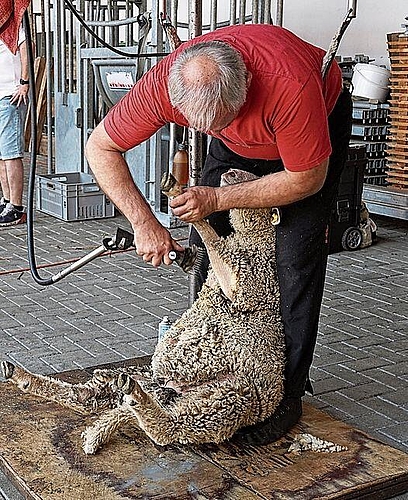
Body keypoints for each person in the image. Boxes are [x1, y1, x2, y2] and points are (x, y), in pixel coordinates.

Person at [85, 23, 352, 444]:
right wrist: (145, 223)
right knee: (206, 242)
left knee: (295, 256)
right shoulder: (166, 83)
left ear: (245, 81)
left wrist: (217, 199)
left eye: (223, 119)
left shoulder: (291, 84)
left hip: (310, 122)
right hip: (235, 129)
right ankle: (209, 354)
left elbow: (305, 178)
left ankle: (286, 392)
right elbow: (100, 147)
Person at [0, 23, 29, 226]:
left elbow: (26, 49)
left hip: (10, 96)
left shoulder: (14, 25)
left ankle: (17, 208)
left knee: (11, 153)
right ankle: (7, 201)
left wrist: (24, 82)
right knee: (1, 155)